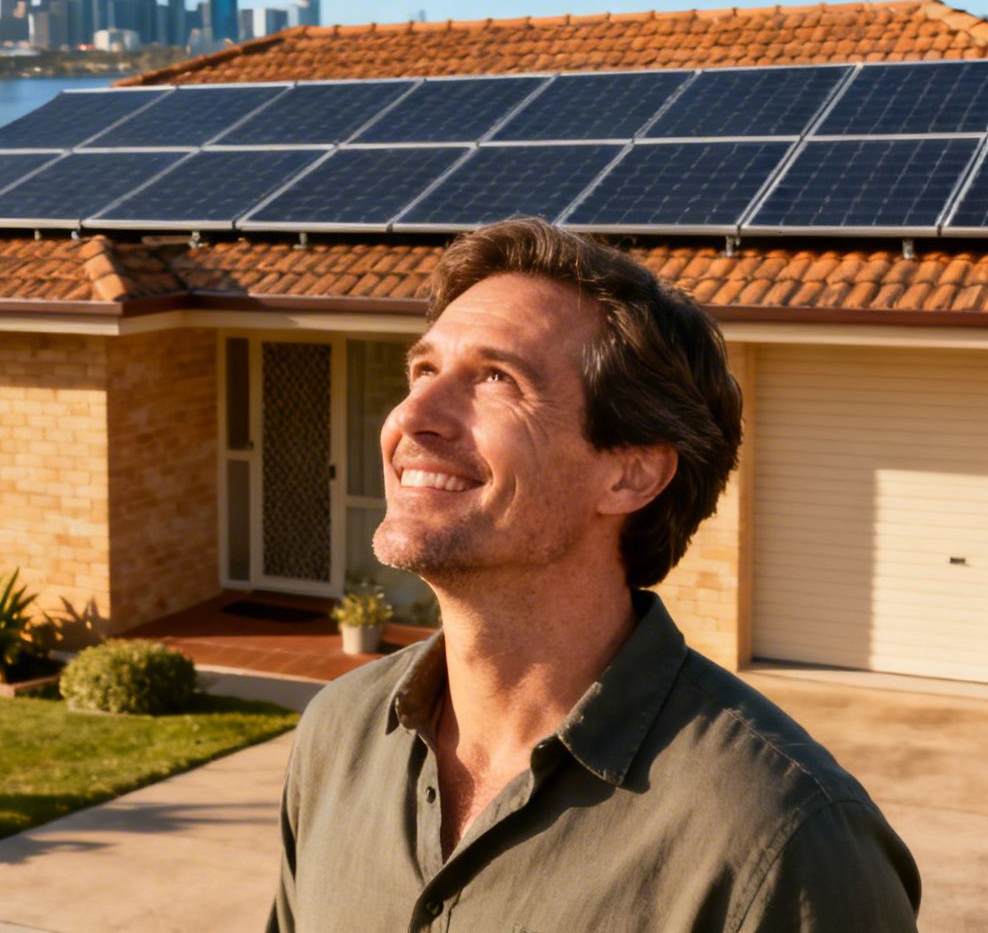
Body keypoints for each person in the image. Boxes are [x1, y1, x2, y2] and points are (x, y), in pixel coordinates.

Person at [269, 218, 920, 931]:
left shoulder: (785, 836)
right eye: (423, 370)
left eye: (496, 379)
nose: (411, 416)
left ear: (632, 474)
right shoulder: (337, 736)